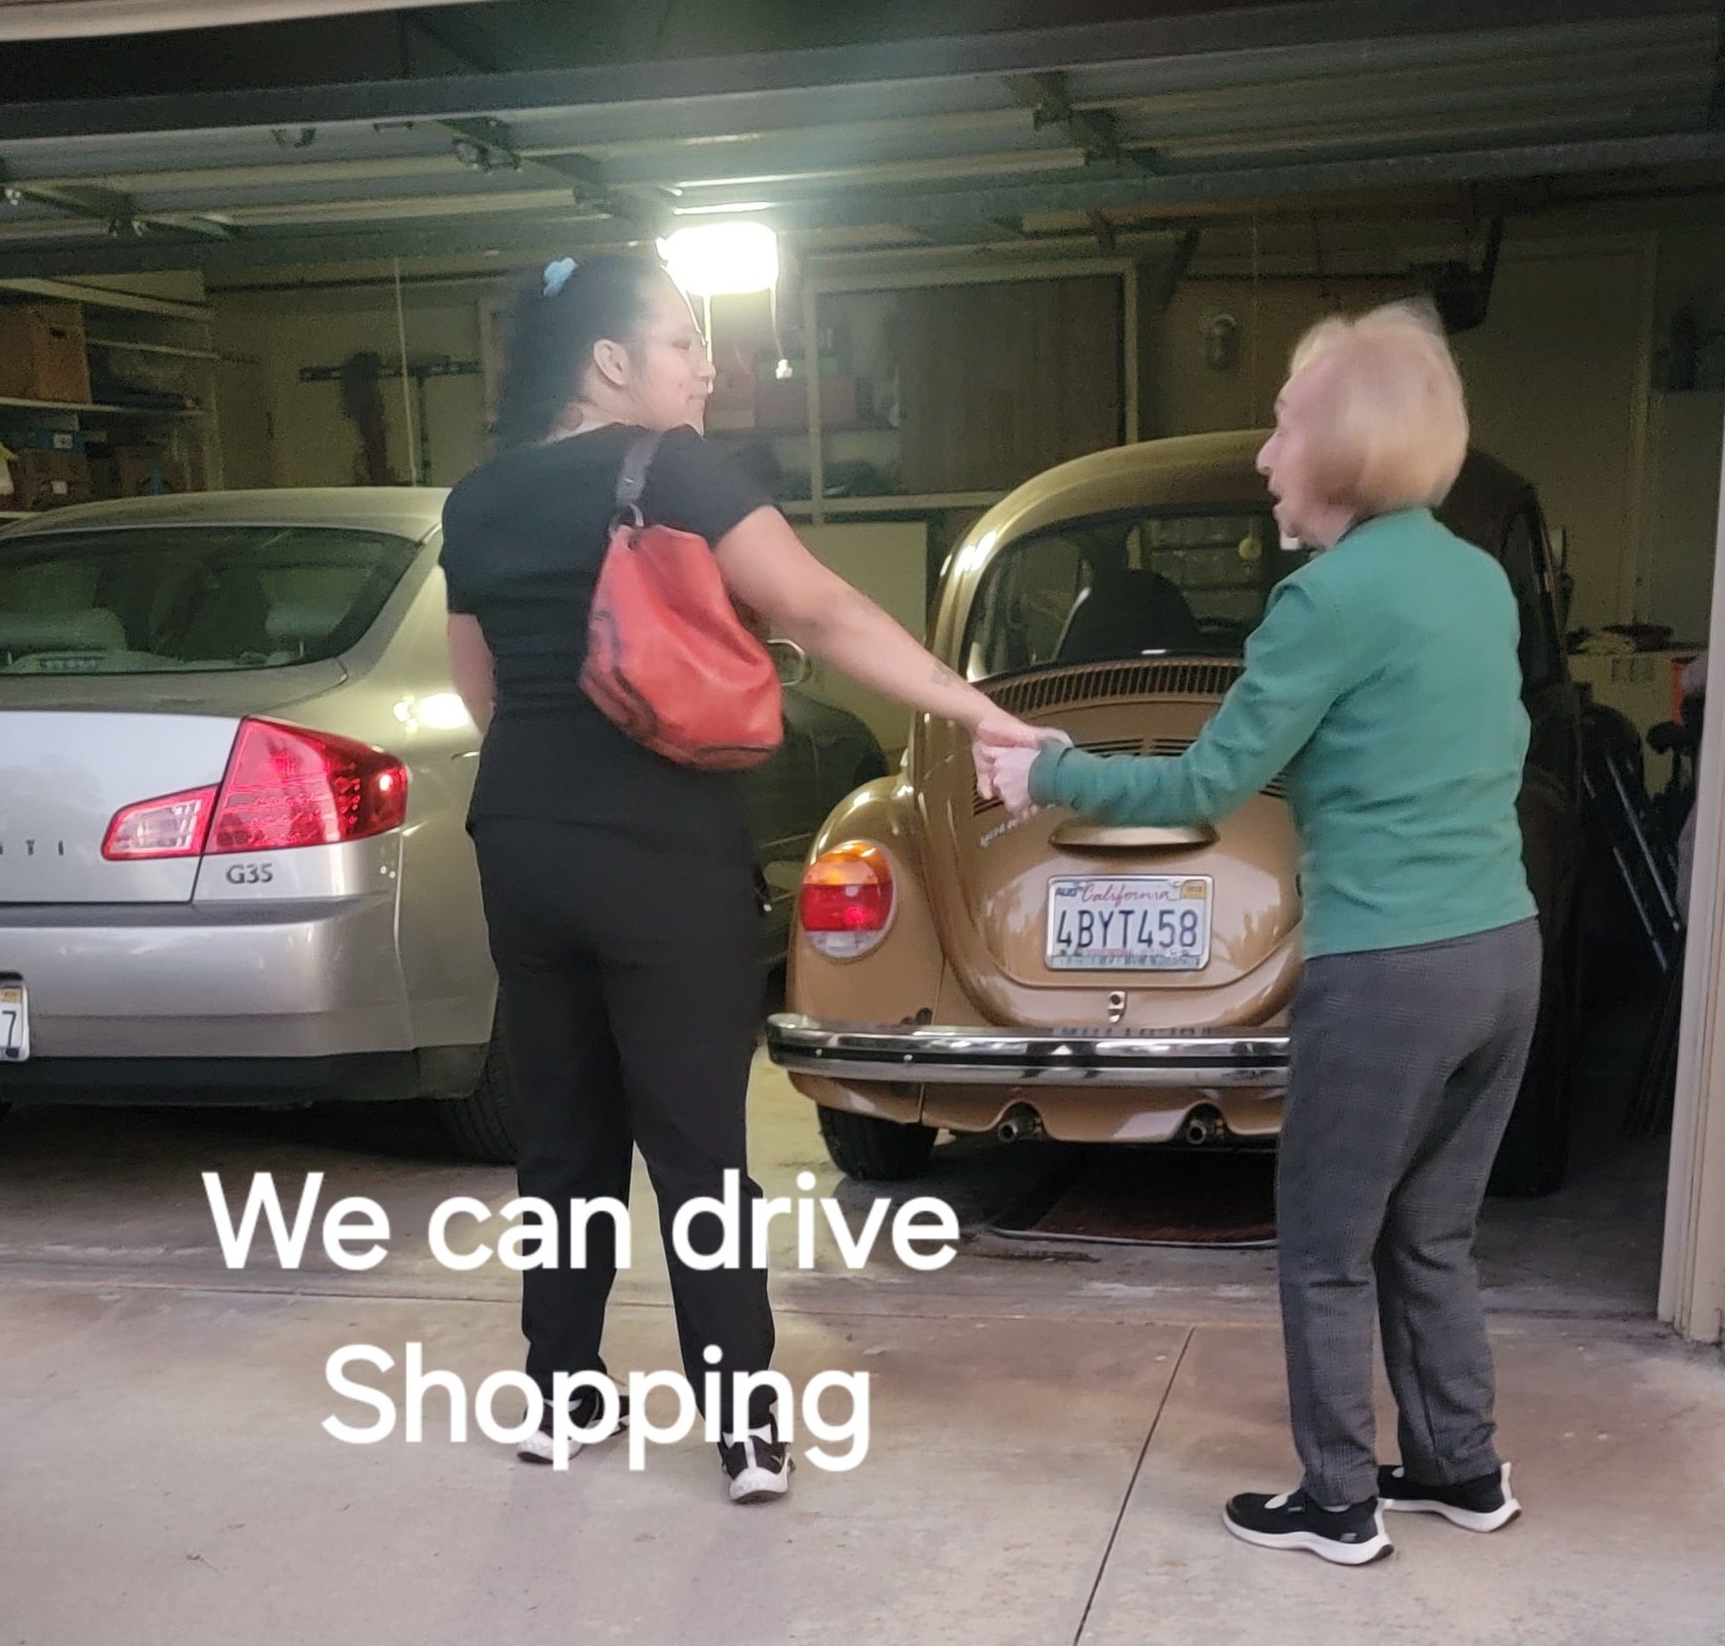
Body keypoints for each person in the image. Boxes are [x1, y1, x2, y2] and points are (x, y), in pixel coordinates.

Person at [443, 252, 1039, 1504]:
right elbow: (820, 613)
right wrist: (980, 713)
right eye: (682, 343)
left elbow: (481, 685)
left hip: (525, 840)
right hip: (662, 848)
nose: (709, 368)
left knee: (562, 1137)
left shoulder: (479, 499)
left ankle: (560, 1398)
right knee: (698, 1143)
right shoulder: (672, 471)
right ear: (610, 362)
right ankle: (744, 1427)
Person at [980, 301, 1537, 1567]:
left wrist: (1051, 771)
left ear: (1339, 448)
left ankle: (1338, 1501)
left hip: (1388, 971)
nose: (1264, 454)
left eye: (1283, 425)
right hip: (1503, 952)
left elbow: (1197, 790)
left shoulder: (1325, 600)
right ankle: (1461, 1467)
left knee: (1326, 1244)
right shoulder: (1473, 577)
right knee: (1431, 1232)